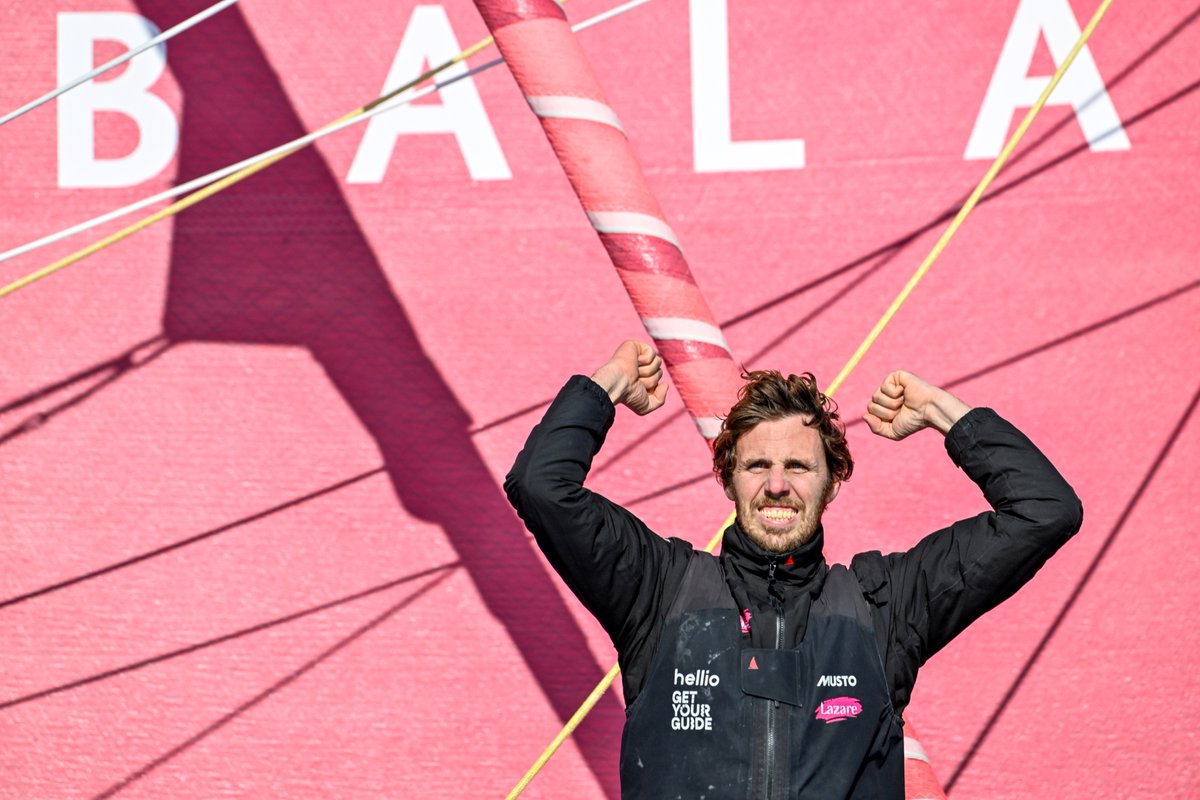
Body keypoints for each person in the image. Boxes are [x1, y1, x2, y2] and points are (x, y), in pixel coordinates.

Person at [505, 340, 1082, 799]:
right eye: (757, 464)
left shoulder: (884, 606)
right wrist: (607, 386)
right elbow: (539, 485)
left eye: (799, 467)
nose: (777, 484)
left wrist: (940, 412)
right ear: (728, 479)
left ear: (833, 482)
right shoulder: (660, 590)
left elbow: (1044, 510)